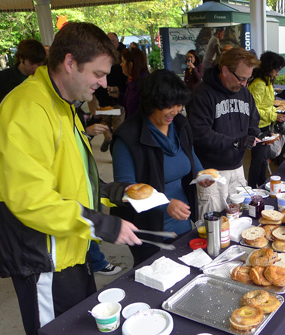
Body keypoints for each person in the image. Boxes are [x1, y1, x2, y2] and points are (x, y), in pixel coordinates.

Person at [0, 22, 142, 335]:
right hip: (41, 255)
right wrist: (101, 223)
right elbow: (32, 199)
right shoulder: (27, 109)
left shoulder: (63, 103)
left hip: (70, 246)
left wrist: (112, 193)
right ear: (70, 63)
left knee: (80, 334)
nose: (103, 83)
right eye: (98, 73)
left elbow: (71, 176)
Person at [111, 69, 212, 265]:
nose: (175, 110)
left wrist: (201, 176)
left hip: (182, 218)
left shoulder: (179, 125)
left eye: (179, 105)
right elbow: (127, 190)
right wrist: (166, 205)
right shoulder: (128, 138)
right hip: (148, 227)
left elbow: (190, 156)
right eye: (168, 106)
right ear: (151, 103)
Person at [187, 47, 261, 215]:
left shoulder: (245, 93)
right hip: (211, 173)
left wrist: (257, 135)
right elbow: (199, 133)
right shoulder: (202, 94)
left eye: (248, 79)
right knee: (214, 228)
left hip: (238, 169)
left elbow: (253, 120)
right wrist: (234, 142)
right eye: (241, 78)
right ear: (225, 70)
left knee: (242, 220)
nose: (244, 84)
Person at [247, 51, 285, 187]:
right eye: (277, 69)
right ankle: (253, 188)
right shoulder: (259, 84)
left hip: (264, 125)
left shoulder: (266, 82)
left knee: (263, 160)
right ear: (269, 68)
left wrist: (274, 114)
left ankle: (261, 185)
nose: (278, 73)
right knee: (258, 160)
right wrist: (274, 116)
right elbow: (254, 109)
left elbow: (267, 105)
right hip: (257, 127)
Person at [0, 39, 46, 117]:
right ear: (21, 58)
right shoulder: (1, 78)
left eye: (39, 64)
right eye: (31, 63)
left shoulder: (44, 77)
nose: (36, 68)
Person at [113, 47, 149, 119]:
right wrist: (119, 95)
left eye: (123, 61)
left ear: (130, 65)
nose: (121, 64)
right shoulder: (133, 82)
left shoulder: (145, 85)